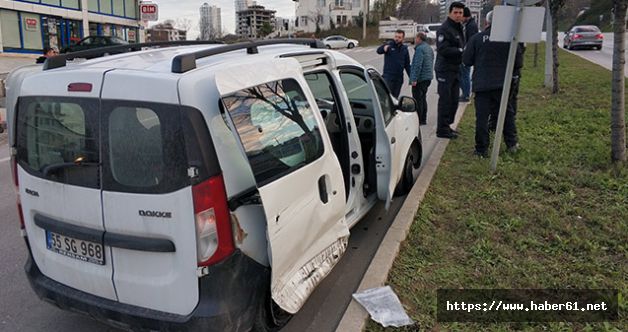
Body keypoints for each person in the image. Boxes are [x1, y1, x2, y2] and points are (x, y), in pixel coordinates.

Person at [463, 11, 524, 158]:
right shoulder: (510, 39)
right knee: (506, 114)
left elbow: (466, 60)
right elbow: (518, 63)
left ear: (487, 22)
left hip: (482, 85)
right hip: (502, 85)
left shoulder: (476, 39)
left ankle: (481, 150)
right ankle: (512, 144)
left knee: (482, 118)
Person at [435, 1, 465, 139]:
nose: (458, 15)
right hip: (445, 69)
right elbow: (443, 49)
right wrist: (460, 51)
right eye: (456, 12)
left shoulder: (458, 27)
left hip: (455, 69)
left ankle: (447, 126)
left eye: (460, 13)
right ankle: (442, 130)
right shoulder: (444, 29)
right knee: (445, 100)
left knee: (454, 100)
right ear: (450, 13)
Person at [376, 30, 411, 98]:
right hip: (388, 77)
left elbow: (407, 65)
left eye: (399, 37)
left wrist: (412, 77)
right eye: (396, 36)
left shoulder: (404, 49)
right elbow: (378, 51)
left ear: (403, 38)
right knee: (386, 98)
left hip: (399, 79)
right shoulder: (389, 45)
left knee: (395, 99)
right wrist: (383, 48)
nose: (397, 39)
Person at [409, 32, 434, 126]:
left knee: (417, 99)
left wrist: (414, 79)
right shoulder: (428, 48)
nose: (415, 40)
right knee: (423, 98)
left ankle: (418, 119)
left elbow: (417, 65)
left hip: (420, 78)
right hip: (428, 77)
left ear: (419, 39)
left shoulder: (419, 49)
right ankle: (423, 118)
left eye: (416, 38)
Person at [459, 6, 479, 102]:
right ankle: (465, 93)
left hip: (467, 54)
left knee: (464, 74)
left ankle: (466, 94)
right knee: (463, 74)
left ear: (465, 16)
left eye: (461, 15)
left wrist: (466, 53)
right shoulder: (470, 24)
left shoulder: (470, 26)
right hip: (467, 53)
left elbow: (470, 41)